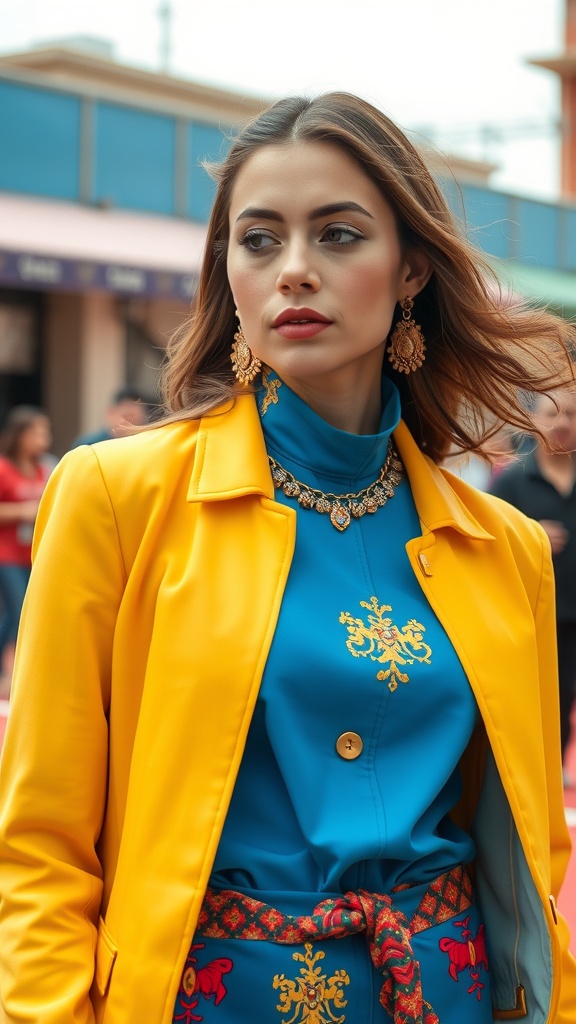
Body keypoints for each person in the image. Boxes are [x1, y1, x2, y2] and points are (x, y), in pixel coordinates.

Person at [0, 92, 574, 1024]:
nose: (293, 270)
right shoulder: (116, 498)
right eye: (259, 240)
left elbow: (532, 849)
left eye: (339, 235)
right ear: (227, 271)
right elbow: (39, 849)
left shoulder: (501, 546)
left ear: (411, 270)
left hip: (447, 997)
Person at [491, 390, 576, 786]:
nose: (562, 423)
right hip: (534, 611)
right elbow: (484, 542)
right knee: (543, 694)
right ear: (533, 421)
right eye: (551, 414)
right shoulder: (512, 481)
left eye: (571, 415)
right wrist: (532, 535)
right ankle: (541, 768)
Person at [0, 405, 52, 699]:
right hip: (5, 554)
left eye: (45, 431)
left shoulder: (44, 469)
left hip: (31, 553)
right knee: (20, 611)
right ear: (20, 435)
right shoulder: (4, 468)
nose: (43, 437)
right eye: (36, 431)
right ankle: (12, 674)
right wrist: (21, 511)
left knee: (12, 615)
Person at [71, 385, 149, 446]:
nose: (130, 424)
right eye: (127, 416)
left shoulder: (147, 443)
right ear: (111, 413)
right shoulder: (89, 445)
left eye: (136, 418)